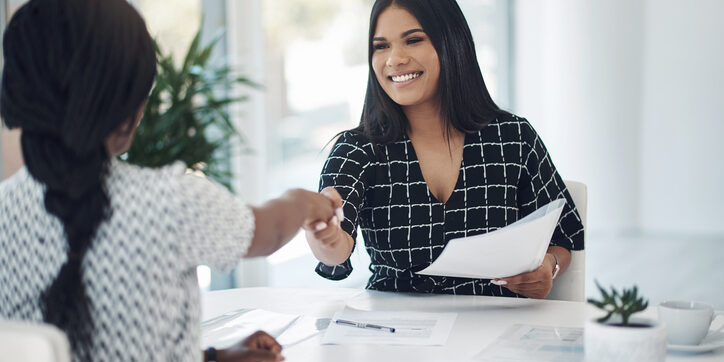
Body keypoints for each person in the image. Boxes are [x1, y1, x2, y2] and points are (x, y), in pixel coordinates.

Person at [0, 0, 341, 361]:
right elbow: (267, 232)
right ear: (131, 108)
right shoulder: (169, 201)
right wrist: (304, 202)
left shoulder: (4, 210)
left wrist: (213, 357)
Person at [305, 0, 584, 299]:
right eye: (381, 46)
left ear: (452, 42)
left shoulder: (513, 137)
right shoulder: (357, 149)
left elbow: (564, 236)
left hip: (496, 329)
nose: (395, 59)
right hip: (395, 333)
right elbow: (336, 251)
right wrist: (324, 234)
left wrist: (549, 266)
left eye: (413, 40)